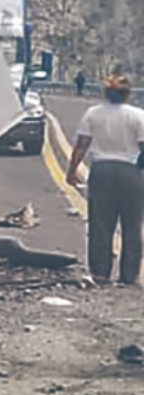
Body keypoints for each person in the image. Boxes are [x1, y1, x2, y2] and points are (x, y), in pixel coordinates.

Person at [66, 74, 144, 285]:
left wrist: (72, 170)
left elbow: (81, 144)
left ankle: (100, 273)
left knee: (100, 224)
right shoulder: (138, 116)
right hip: (130, 172)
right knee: (132, 225)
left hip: (101, 171)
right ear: (128, 94)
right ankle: (128, 276)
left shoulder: (93, 114)